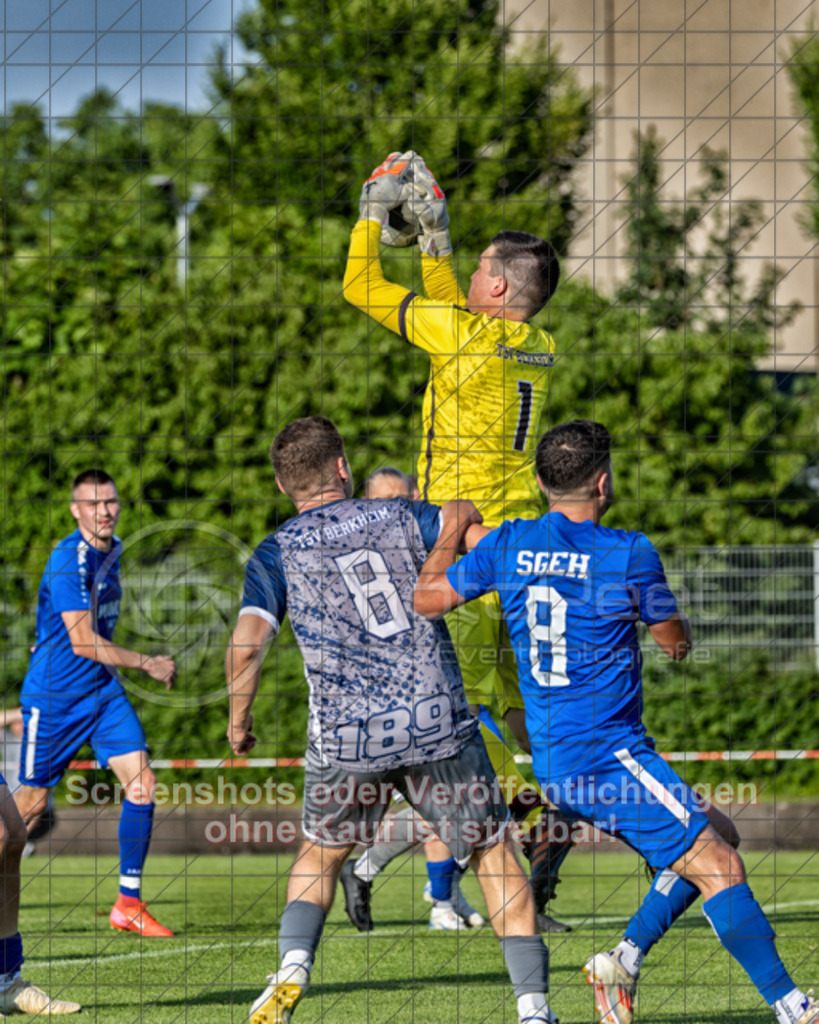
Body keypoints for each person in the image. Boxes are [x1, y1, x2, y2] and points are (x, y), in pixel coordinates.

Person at [414, 419, 819, 1024]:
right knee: (720, 864)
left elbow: (427, 600)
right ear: (603, 482)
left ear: (542, 481)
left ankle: (622, 961)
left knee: (718, 834)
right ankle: (794, 1007)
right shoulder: (629, 552)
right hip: (607, 753)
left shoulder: (509, 544)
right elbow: (674, 644)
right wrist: (672, 630)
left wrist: (449, 529)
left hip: (556, 757)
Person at [226, 416, 556, 1024]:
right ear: (344, 469)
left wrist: (238, 720)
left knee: (321, 854)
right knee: (492, 852)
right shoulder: (405, 515)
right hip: (434, 718)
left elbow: (247, 645)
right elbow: (486, 542)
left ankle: (293, 968)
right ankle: (534, 1008)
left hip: (347, 734)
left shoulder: (277, 551)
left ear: (282, 487)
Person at [343, 150, 572, 931]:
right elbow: (461, 315)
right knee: (520, 703)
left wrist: (373, 211)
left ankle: (530, 806)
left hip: (468, 546)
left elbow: (360, 288)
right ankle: (556, 791)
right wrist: (437, 244)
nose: (468, 278)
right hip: (520, 546)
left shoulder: (468, 340)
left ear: (499, 288)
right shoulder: (530, 342)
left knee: (461, 707)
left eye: (478, 269)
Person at [15, 468, 177, 938]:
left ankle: (128, 903)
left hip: (102, 693)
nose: (104, 511)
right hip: (56, 697)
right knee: (28, 808)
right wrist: (147, 662)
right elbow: (84, 641)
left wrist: (51, 638)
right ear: (75, 509)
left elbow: (72, 626)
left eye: (110, 501)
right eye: (93, 504)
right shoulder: (69, 557)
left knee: (142, 783)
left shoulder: (116, 549)